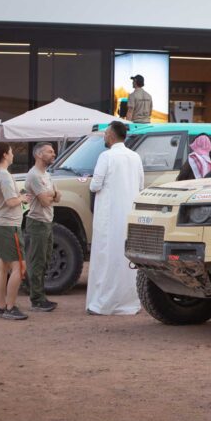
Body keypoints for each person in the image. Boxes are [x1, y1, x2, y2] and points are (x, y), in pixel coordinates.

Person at [86, 121, 144, 315]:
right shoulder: (135, 157)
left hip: (108, 216)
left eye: (105, 133)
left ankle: (103, 304)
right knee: (126, 258)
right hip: (128, 216)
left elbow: (95, 185)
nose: (104, 136)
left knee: (106, 257)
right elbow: (141, 185)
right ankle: (129, 302)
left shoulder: (106, 156)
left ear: (111, 135)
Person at [0, 142, 30, 320]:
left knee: (2, 268)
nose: (13, 155)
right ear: (4, 155)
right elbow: (11, 202)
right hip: (8, 227)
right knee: (20, 267)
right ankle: (10, 307)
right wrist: (22, 198)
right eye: (11, 152)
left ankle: (1, 306)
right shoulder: (4, 175)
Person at [25, 143, 60, 312]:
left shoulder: (46, 175)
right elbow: (45, 201)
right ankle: (36, 299)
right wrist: (51, 195)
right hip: (37, 222)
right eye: (50, 151)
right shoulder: (34, 176)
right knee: (37, 261)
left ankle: (40, 296)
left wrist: (51, 194)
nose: (54, 154)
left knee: (45, 260)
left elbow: (57, 197)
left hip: (46, 221)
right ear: (39, 155)